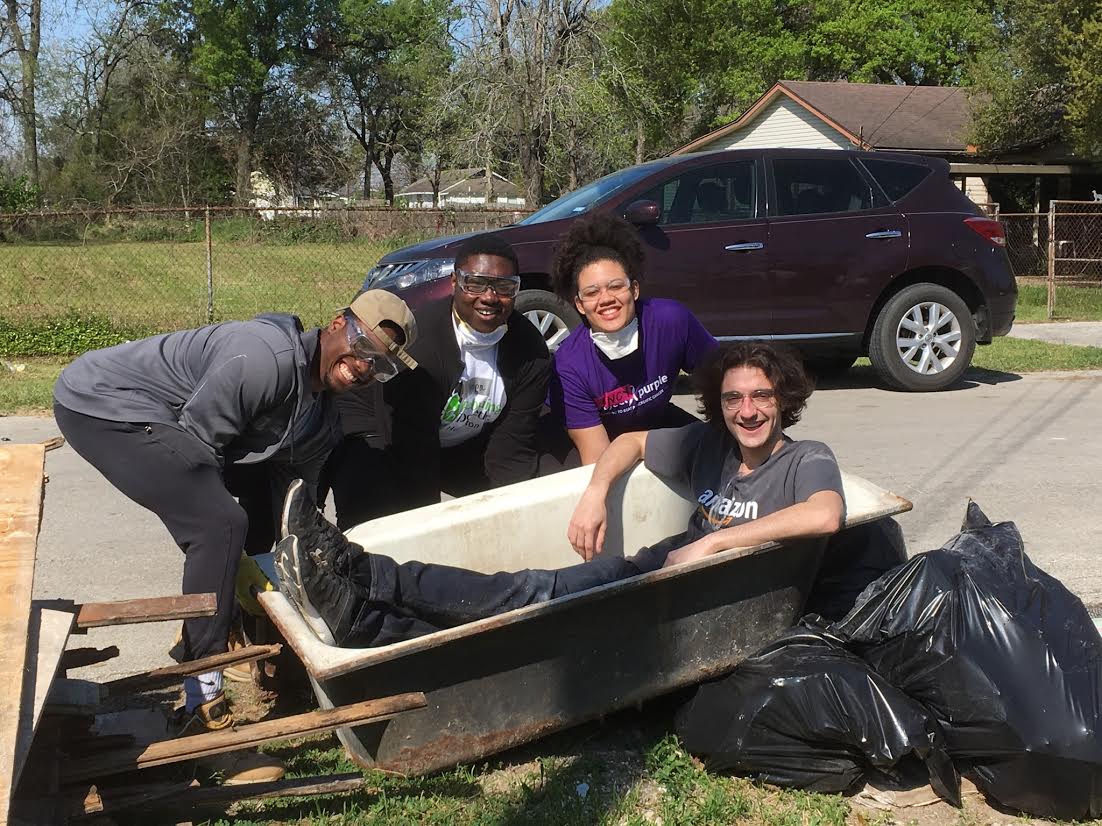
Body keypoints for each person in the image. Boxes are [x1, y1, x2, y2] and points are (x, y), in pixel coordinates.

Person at [51, 290, 417, 782]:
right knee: (220, 525)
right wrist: (230, 557)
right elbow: (195, 448)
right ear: (336, 325)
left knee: (243, 533)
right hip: (102, 402)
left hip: (167, 423)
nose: (365, 366)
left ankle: (209, 652)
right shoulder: (263, 358)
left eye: (381, 365)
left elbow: (293, 511)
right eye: (364, 346)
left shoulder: (321, 419)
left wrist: (286, 564)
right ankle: (203, 705)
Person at [274, 342, 845, 650]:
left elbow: (826, 514)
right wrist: (596, 491)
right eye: (732, 399)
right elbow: (631, 442)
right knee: (524, 599)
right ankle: (359, 600)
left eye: (761, 397)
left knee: (524, 600)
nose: (747, 411)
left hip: (678, 600)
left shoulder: (805, 457)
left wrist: (713, 545)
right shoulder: (710, 444)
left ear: (783, 400)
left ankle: (362, 588)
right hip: (645, 573)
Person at [326, 233, 552, 529]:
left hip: (459, 441)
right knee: (376, 503)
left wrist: (511, 518)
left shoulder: (530, 349)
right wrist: (429, 533)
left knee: (545, 477)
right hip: (381, 426)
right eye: (475, 283)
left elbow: (511, 447)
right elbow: (411, 452)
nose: (489, 297)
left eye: (504, 287)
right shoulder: (423, 346)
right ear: (454, 282)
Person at [547, 213, 717, 465]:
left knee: (719, 448)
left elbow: (724, 378)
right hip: (597, 442)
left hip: (653, 423)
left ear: (634, 289)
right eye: (592, 292)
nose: (606, 299)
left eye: (616, 286)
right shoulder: (569, 364)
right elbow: (597, 459)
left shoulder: (671, 320)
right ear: (580, 305)